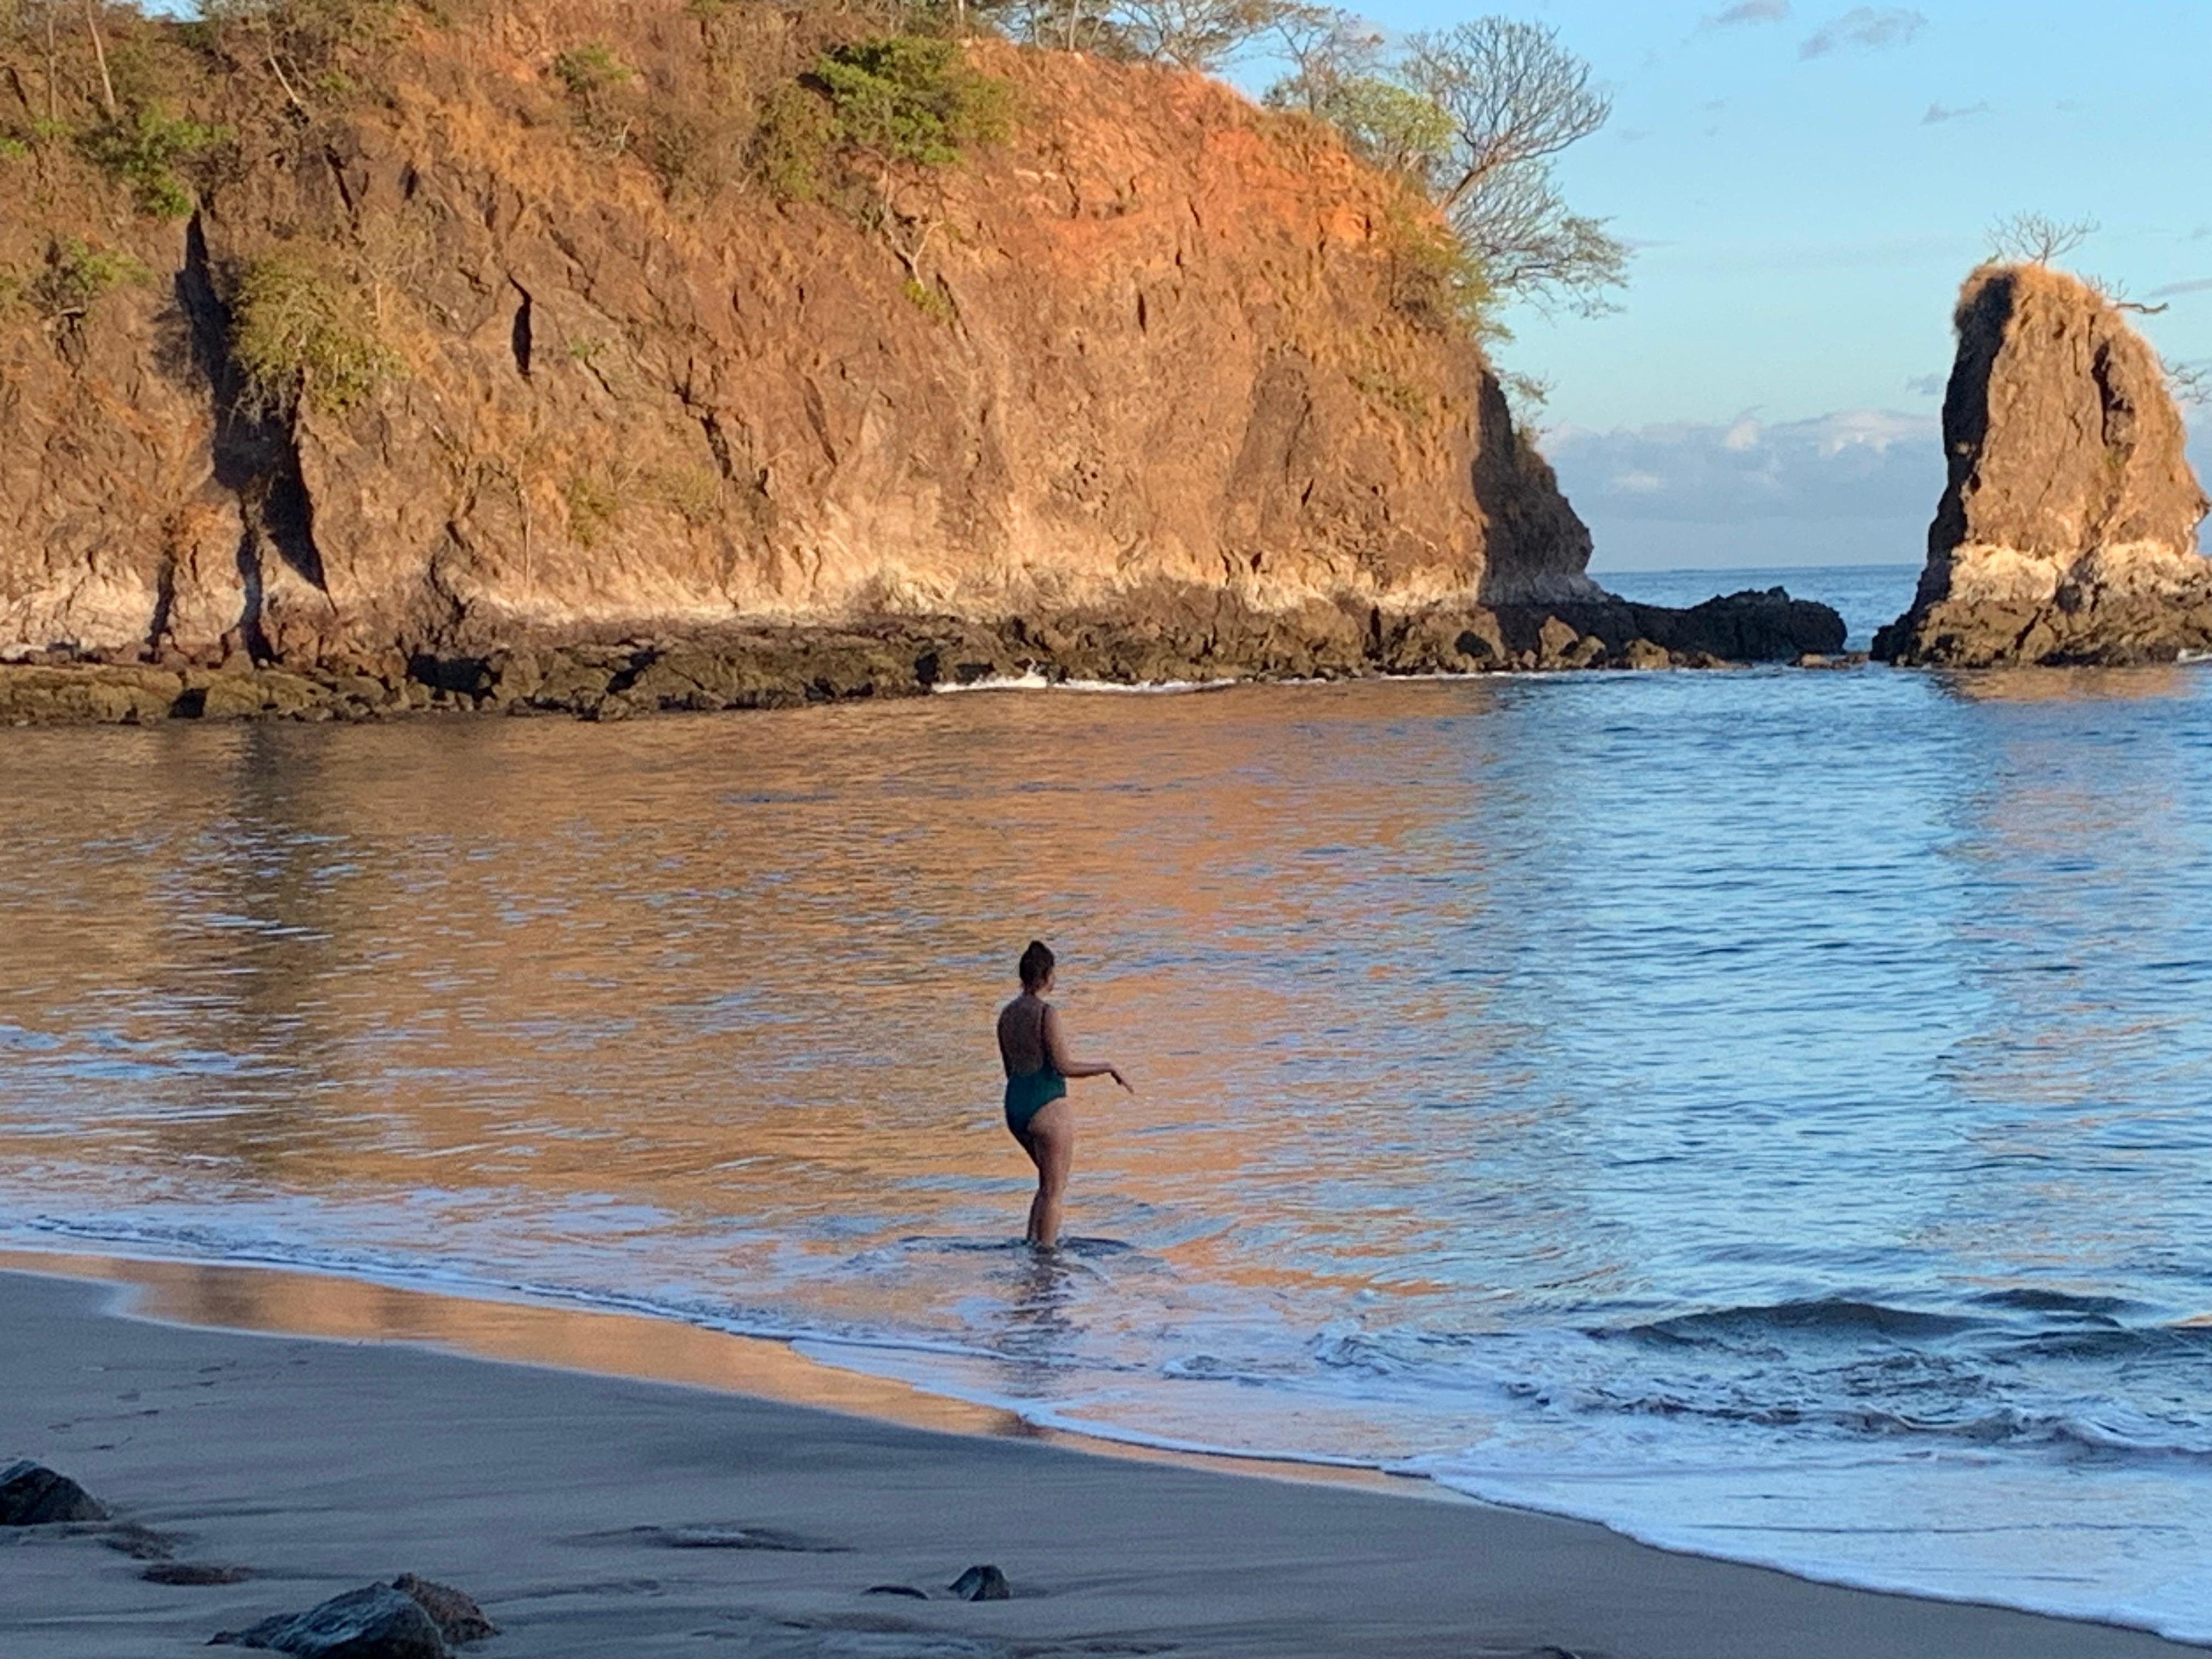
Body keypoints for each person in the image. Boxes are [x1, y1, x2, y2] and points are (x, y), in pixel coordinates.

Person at [996, 940, 1131, 1248]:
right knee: (1054, 1191)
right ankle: (1046, 1265)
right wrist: (1108, 1067)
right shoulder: (1047, 1014)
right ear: (1048, 977)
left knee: (1045, 1186)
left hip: (1015, 1104)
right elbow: (1063, 1065)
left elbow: (1009, 1068)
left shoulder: (1006, 1015)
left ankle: (1031, 1246)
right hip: (1046, 1103)